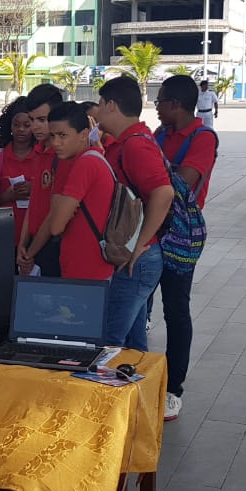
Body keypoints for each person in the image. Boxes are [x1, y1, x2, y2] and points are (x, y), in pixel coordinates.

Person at [151, 75, 218, 422]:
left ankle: (173, 388)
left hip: (178, 236)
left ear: (175, 103)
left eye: (160, 100)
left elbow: (185, 180)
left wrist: (152, 168)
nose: (156, 106)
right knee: (138, 307)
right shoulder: (159, 134)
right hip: (148, 229)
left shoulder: (202, 137)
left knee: (176, 310)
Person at [97, 76, 174, 352]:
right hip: (137, 256)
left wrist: (139, 244)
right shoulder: (126, 141)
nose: (97, 110)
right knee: (132, 343)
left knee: (110, 340)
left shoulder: (135, 145)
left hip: (139, 258)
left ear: (111, 105)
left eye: (100, 103)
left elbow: (163, 193)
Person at [18, 101, 116, 282]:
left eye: (63, 135)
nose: (56, 142)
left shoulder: (85, 164)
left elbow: (56, 226)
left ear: (84, 134)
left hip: (86, 270)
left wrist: (61, 206)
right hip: (83, 266)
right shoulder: (88, 158)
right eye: (53, 135)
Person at [16, 85, 64, 277]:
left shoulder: (64, 156)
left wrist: (31, 252)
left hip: (53, 245)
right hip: (34, 244)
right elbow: (34, 202)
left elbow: (55, 212)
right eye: (32, 120)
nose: (35, 126)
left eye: (42, 120)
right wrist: (22, 242)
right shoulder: (39, 150)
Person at [0, 96, 40, 245]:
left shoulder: (43, 156)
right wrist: (6, 196)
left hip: (37, 236)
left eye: (27, 125)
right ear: (10, 126)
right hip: (4, 236)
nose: (21, 129)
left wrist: (36, 189)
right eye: (16, 125)